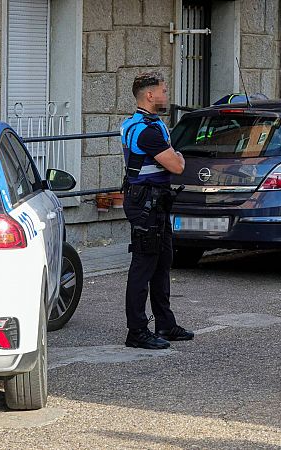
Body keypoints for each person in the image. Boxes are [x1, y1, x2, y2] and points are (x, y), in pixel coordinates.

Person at [120, 72, 194, 349]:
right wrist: (177, 159)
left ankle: (165, 323)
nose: (167, 94)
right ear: (149, 95)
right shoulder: (146, 131)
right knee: (143, 266)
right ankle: (136, 330)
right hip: (145, 204)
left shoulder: (152, 125)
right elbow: (176, 165)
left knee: (162, 262)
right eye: (163, 90)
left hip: (156, 201)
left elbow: (173, 157)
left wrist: (175, 158)